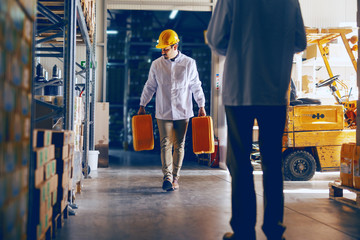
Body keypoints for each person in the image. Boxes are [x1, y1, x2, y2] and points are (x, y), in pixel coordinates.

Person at [206, 0, 306, 239]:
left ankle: (243, 231)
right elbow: (300, 42)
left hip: (240, 90)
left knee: (240, 163)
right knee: (272, 163)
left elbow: (216, 38)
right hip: (274, 91)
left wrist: (241, 46)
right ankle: (274, 230)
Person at [138, 29, 206, 191]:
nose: (162, 51)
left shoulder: (189, 63)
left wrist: (201, 105)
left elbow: (196, 86)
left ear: (175, 46)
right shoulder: (157, 64)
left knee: (180, 145)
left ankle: (176, 176)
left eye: (166, 48)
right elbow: (150, 86)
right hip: (164, 111)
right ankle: (167, 176)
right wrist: (142, 104)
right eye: (161, 48)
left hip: (183, 111)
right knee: (165, 144)